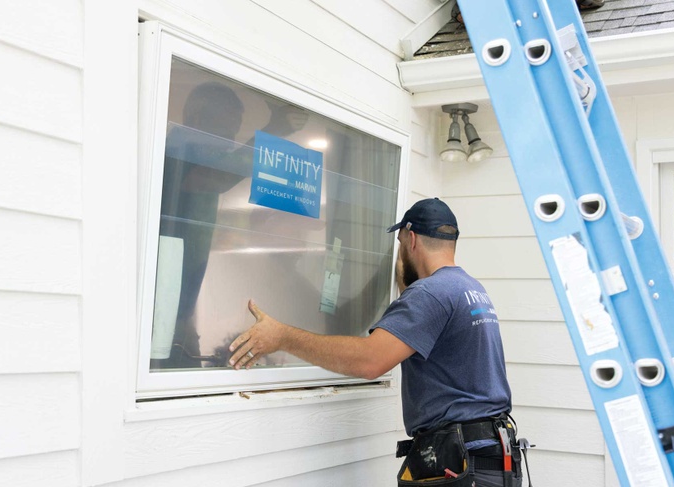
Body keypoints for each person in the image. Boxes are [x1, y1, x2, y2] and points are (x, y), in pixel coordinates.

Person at [228, 198, 524, 486]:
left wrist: (282, 337)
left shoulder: (430, 295)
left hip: (462, 463)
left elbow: (369, 361)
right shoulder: (469, 288)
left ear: (411, 240)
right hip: (490, 456)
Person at [155, 81, 308, 369]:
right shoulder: (178, 148)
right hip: (159, 312)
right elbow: (214, 177)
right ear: (198, 119)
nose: (230, 138)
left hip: (180, 314)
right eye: (225, 127)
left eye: (235, 128)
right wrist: (273, 129)